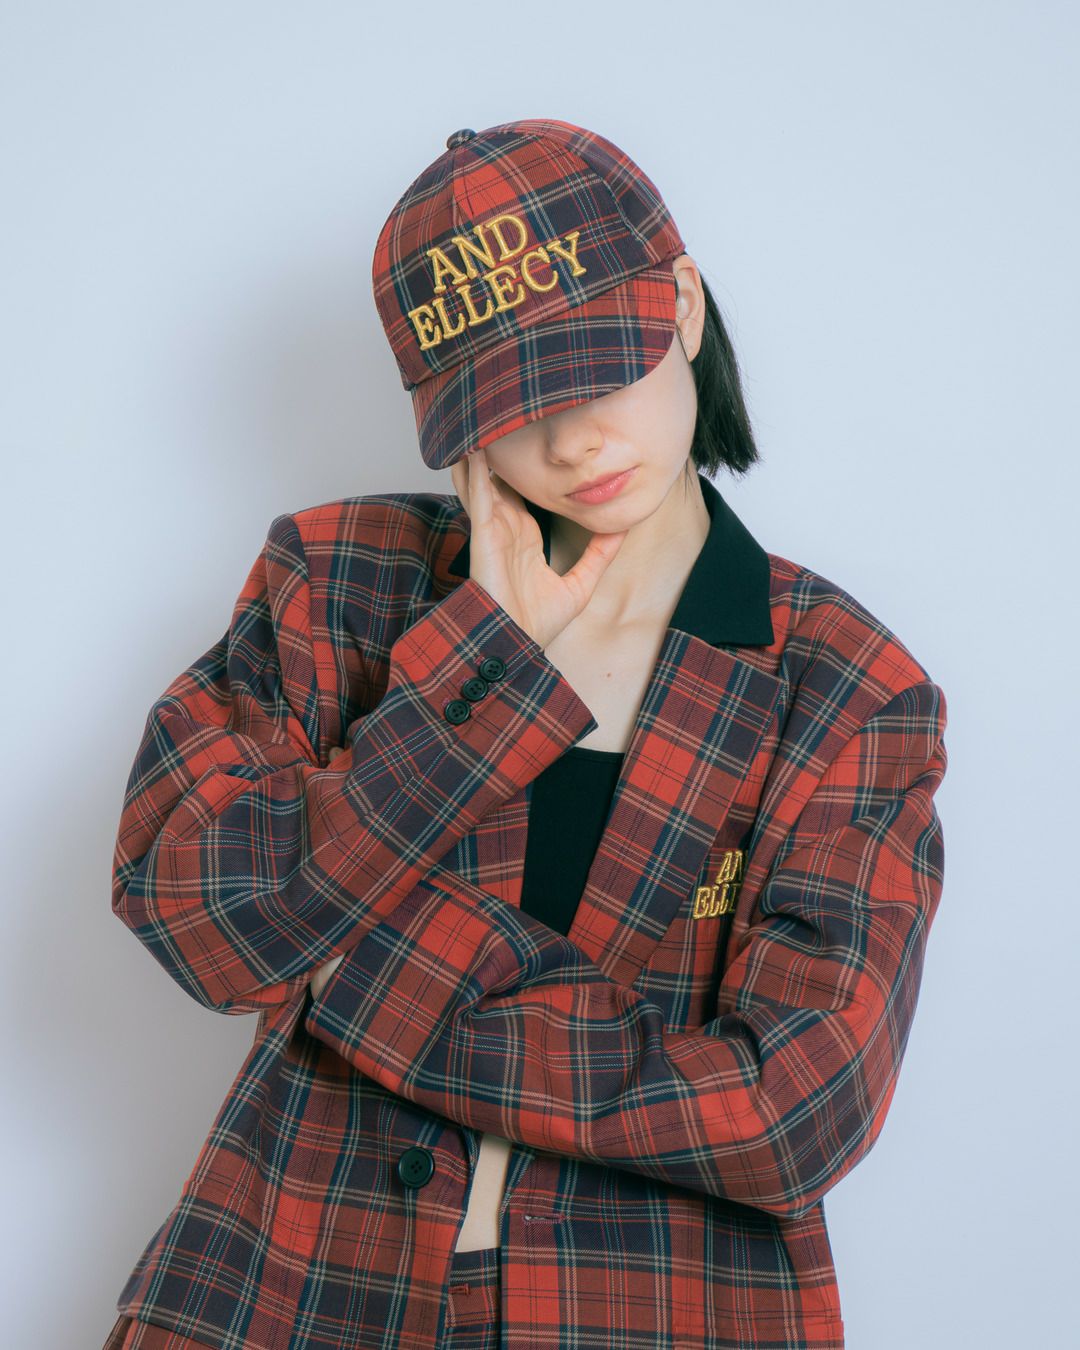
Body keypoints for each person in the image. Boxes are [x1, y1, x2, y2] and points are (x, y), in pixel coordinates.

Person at [103, 118, 948, 1350]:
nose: (571, 441)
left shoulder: (844, 687)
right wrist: (474, 669)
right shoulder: (340, 583)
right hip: (288, 1286)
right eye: (512, 403)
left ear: (681, 307)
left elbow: (792, 1110)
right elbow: (198, 909)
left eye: (597, 374)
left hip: (658, 1313)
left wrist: (358, 978)